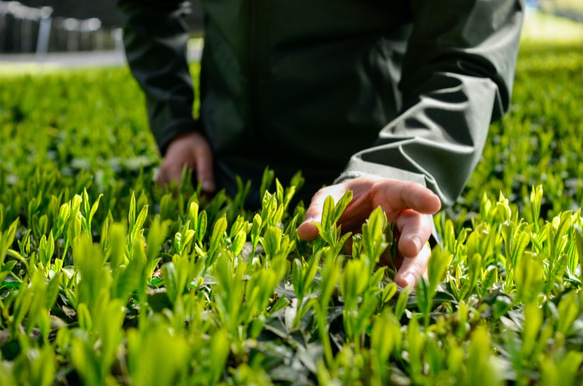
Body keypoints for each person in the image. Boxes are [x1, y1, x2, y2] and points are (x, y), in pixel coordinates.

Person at [117, 0, 524, 288]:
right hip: (223, 177)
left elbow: (467, 51)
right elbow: (147, 9)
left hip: (362, 185)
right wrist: (176, 126)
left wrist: (399, 166)